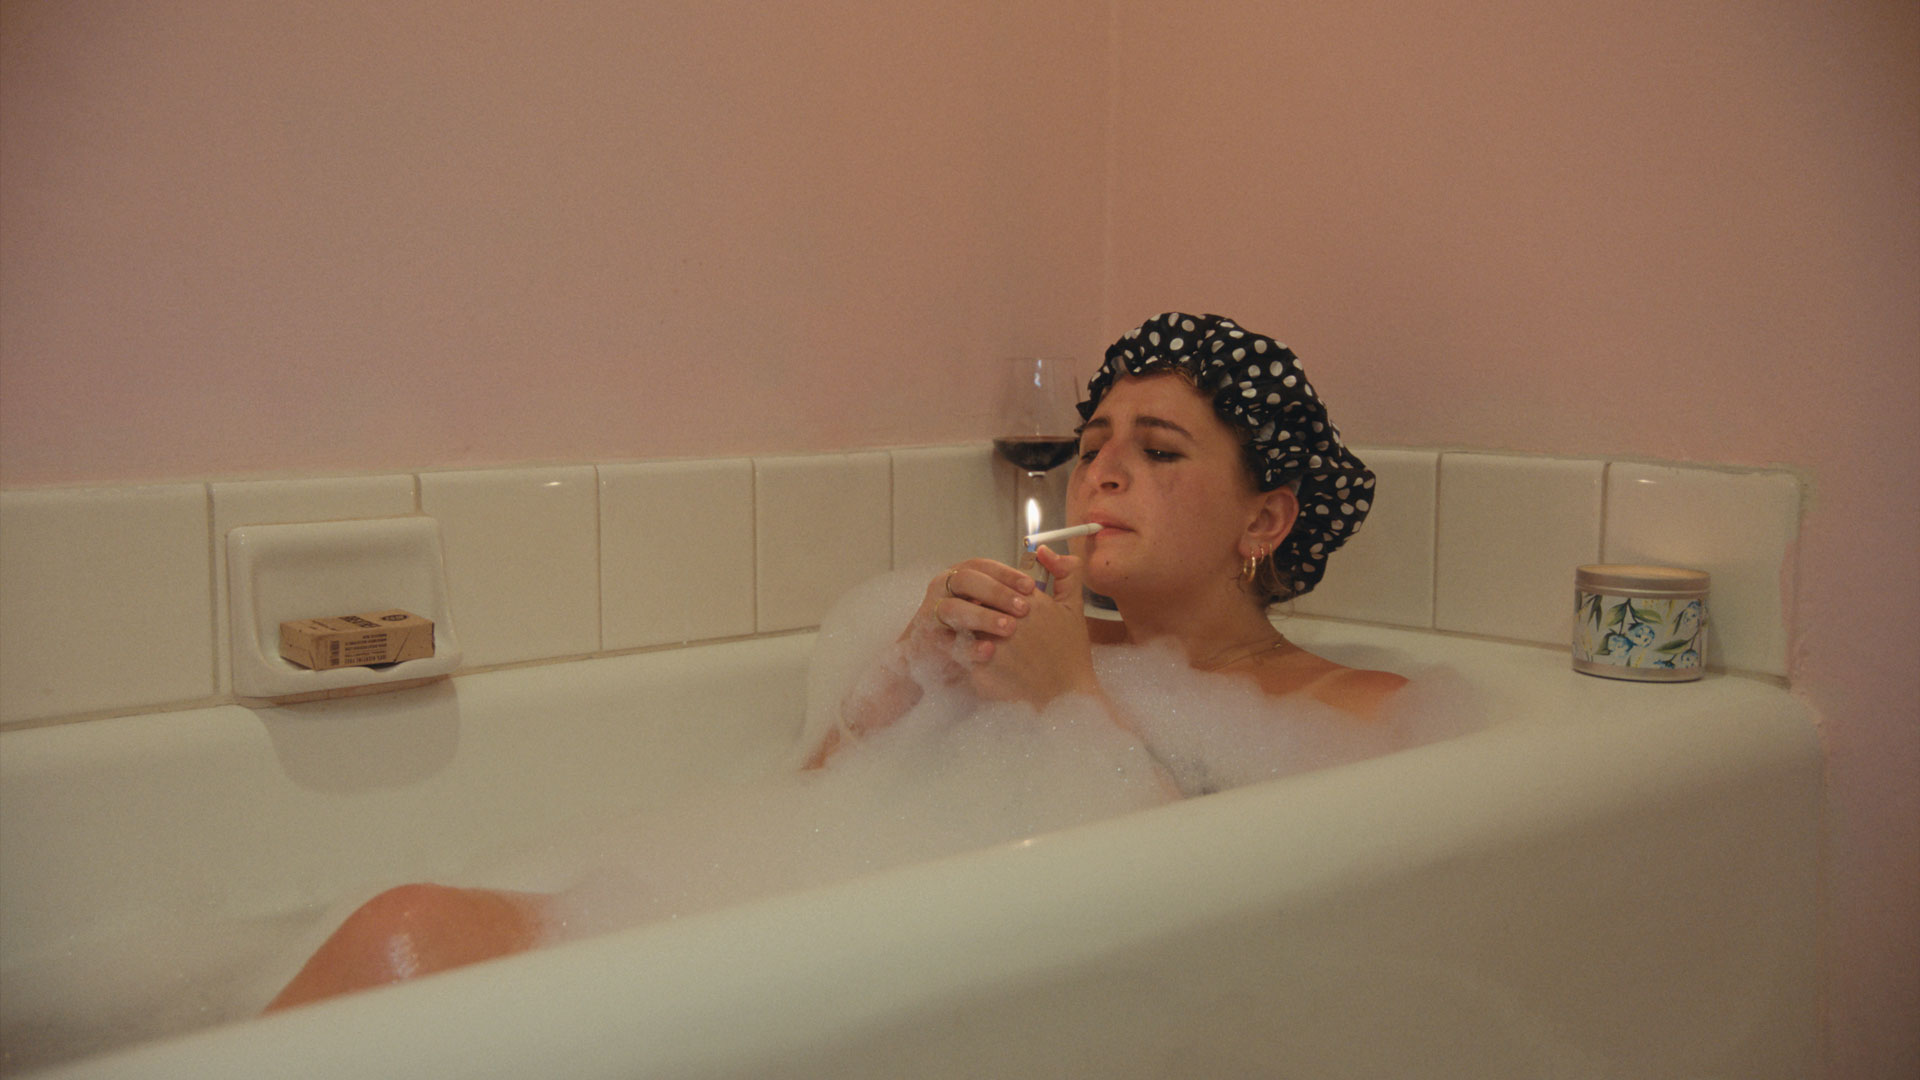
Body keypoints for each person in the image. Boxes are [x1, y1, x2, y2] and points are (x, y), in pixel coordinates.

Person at [264, 312, 1404, 1013]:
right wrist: (910, 665)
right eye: (1094, 443)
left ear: (1266, 519)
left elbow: (1240, 957)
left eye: (1158, 451)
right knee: (403, 931)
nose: (1101, 472)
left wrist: (1070, 697)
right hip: (823, 969)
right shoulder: (1033, 638)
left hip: (981, 1006)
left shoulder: (1352, 712)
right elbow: (807, 812)